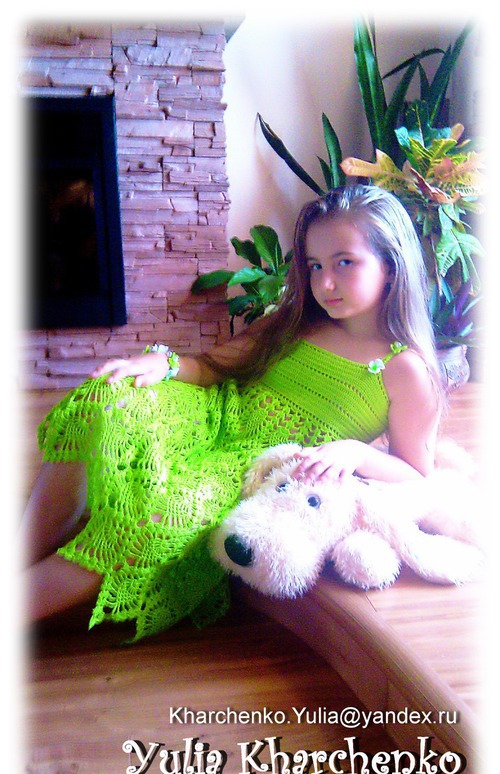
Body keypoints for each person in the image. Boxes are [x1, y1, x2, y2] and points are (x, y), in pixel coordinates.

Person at [22, 185, 444, 642]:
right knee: (105, 398)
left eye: (345, 262)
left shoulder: (405, 369)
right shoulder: (298, 321)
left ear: (391, 265)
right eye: (315, 265)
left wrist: (356, 454)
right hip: (211, 414)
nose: (324, 283)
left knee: (153, 520)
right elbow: (211, 367)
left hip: (253, 467)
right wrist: (163, 364)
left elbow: (418, 477)